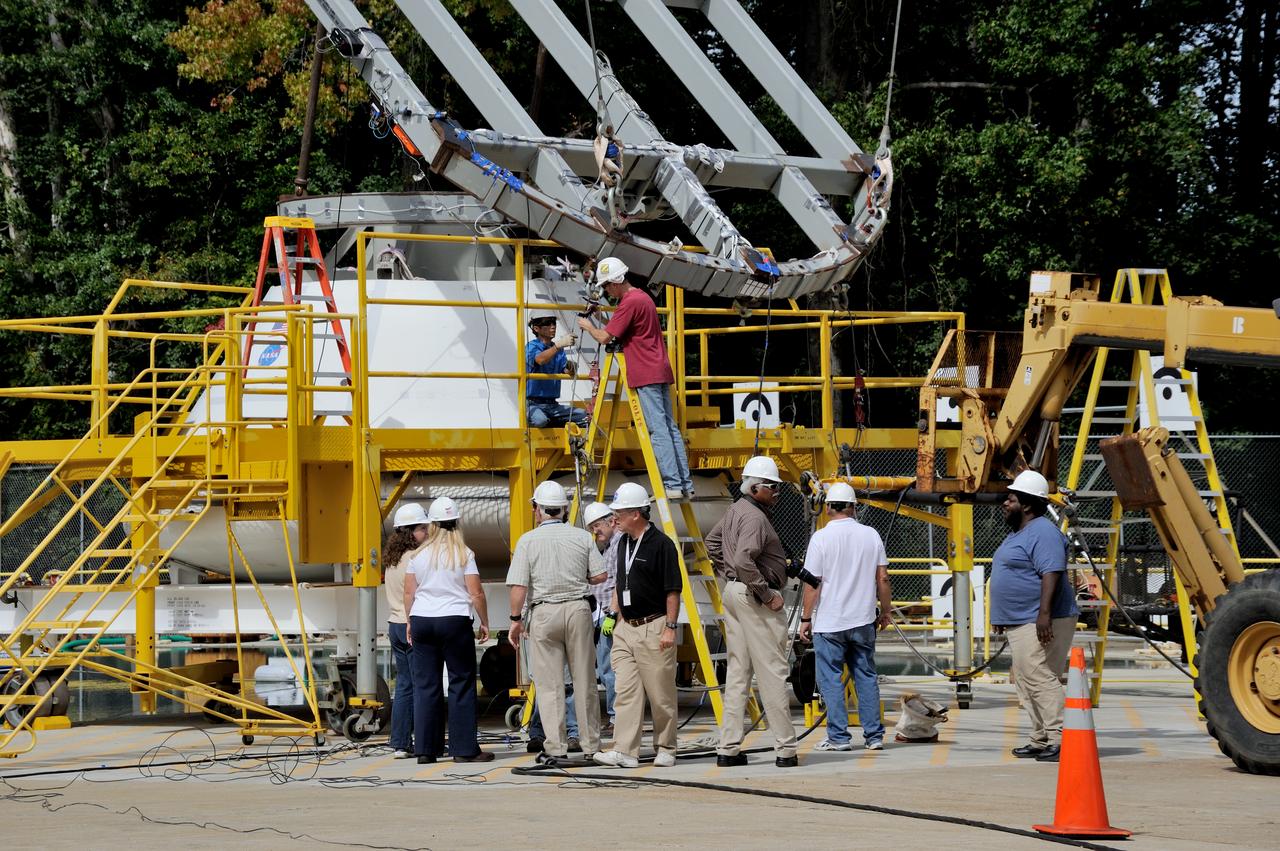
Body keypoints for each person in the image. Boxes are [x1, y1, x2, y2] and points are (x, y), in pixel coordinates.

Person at [705, 455, 798, 768]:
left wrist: (729, 575)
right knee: (773, 671)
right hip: (753, 597)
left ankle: (728, 748)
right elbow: (745, 559)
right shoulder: (756, 518)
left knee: (738, 672)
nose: (777, 492)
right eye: (772, 487)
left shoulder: (736, 509)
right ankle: (786, 750)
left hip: (735, 593)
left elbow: (712, 542)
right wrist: (766, 593)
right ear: (756, 488)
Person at [506, 480, 606, 765]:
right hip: (578, 610)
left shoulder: (527, 541)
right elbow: (600, 576)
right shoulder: (582, 537)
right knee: (584, 680)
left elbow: (519, 586)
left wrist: (515, 620)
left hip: (544, 612)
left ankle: (556, 748)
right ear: (564, 509)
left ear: (537, 509)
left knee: (550, 685)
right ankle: (591, 745)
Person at [578, 257, 693, 500]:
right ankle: (684, 484)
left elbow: (604, 338)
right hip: (659, 369)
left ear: (616, 281)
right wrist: (600, 318)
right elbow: (619, 329)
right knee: (670, 428)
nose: (607, 291)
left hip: (645, 371)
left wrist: (588, 326)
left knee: (658, 430)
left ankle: (672, 484)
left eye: (607, 285)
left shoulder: (629, 302)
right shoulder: (642, 298)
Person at [989, 469, 1079, 764]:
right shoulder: (1021, 532)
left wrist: (1043, 615)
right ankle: (1041, 738)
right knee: (1026, 681)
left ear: (1027, 504)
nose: (1005, 503)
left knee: (1039, 677)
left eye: (1011, 499)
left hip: (1040, 619)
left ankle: (1061, 738)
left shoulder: (1042, 532)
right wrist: (1002, 615)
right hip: (1022, 619)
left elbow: (1051, 572)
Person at [593, 483, 683, 769]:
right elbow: (621, 582)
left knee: (660, 694)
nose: (614, 519)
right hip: (625, 627)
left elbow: (673, 590)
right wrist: (613, 614)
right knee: (626, 692)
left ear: (636, 514)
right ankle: (625, 751)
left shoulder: (661, 545)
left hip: (653, 626)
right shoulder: (623, 543)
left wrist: (670, 627)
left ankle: (666, 747)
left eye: (618, 514)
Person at [797, 482, 892, 751]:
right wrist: (886, 611)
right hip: (863, 620)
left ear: (827, 507)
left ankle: (838, 738)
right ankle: (874, 737)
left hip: (830, 623)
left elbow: (812, 583)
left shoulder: (820, 538)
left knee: (831, 679)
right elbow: (883, 578)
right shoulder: (871, 535)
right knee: (866, 677)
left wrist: (806, 619)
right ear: (853, 507)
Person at [404, 497, 493, 764]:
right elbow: (476, 592)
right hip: (454, 620)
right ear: (456, 523)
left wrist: (409, 622)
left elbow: (409, 592)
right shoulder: (464, 554)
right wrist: (484, 621)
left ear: (431, 525)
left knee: (426, 685)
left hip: (422, 618)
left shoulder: (418, 555)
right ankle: (464, 749)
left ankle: (426, 750)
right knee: (461, 682)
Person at [383, 502, 429, 759]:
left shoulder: (392, 559)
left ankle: (400, 742)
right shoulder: (415, 558)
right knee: (421, 685)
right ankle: (422, 741)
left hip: (395, 624)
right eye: (423, 528)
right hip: (412, 625)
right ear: (411, 531)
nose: (427, 533)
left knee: (403, 685)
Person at [584, 500, 622, 733]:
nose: (595, 531)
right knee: (607, 669)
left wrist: (613, 614)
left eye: (597, 526)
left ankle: (618, 718)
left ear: (611, 521)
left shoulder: (618, 545)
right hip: (603, 613)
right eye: (591, 528)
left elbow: (619, 582)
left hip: (611, 614)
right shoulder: (609, 546)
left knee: (610, 669)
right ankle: (617, 716)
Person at [525, 312, 587, 428]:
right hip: (533, 404)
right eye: (548, 323)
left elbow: (566, 371)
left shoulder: (558, 350)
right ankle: (555, 422)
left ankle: (553, 421)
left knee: (585, 416)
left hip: (553, 404)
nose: (553, 326)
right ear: (536, 328)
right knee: (540, 420)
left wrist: (571, 366)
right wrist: (558, 345)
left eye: (553, 323)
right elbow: (540, 360)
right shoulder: (531, 346)